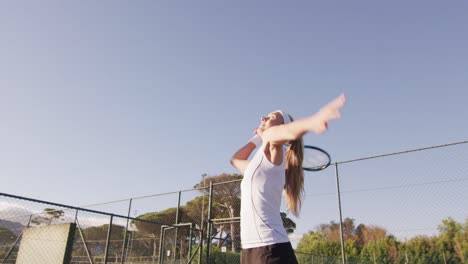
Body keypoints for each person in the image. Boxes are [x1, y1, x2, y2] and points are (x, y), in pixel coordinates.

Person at [230, 94, 346, 264]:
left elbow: (285, 132)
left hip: (271, 250)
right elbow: (235, 160)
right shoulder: (257, 165)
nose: (263, 118)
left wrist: (313, 121)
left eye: (271, 117)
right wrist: (258, 137)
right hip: (250, 249)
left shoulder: (275, 153)